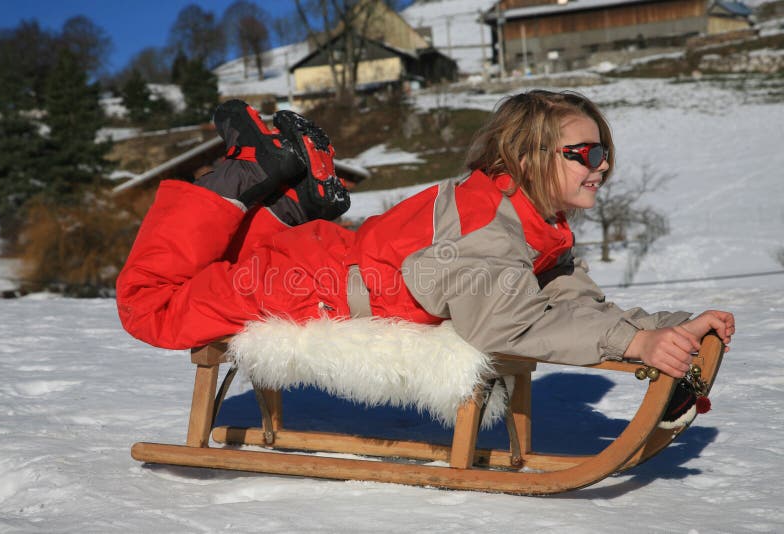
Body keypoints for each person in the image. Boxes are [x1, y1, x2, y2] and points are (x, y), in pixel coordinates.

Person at [117, 92, 734, 410]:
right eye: (584, 154)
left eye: (602, 152)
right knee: (148, 305)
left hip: (326, 262)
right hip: (307, 285)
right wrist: (633, 345)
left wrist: (663, 330)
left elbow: (572, 304)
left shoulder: (531, 220)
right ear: (524, 158)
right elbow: (504, 326)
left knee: (219, 267)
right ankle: (246, 173)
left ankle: (290, 198)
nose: (601, 166)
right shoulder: (490, 231)